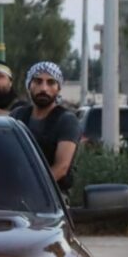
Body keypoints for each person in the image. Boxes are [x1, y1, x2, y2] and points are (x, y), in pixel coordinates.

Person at [10, 62, 81, 191]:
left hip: (51, 197)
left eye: (50, 82)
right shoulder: (18, 116)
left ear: (58, 88)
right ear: (29, 85)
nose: (43, 88)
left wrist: (30, 189)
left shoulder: (66, 120)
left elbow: (61, 168)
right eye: (38, 81)